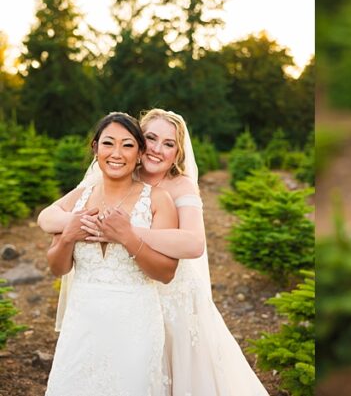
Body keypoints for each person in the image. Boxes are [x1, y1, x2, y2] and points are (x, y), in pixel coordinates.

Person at [39, 109, 268, 395]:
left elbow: (194, 244)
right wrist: (78, 224)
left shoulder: (178, 185)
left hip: (171, 298)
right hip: (110, 303)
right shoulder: (113, 172)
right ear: (140, 142)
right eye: (151, 138)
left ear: (177, 152)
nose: (158, 149)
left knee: (177, 373)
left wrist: (127, 233)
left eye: (169, 144)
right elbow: (47, 217)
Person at [44, 112, 179, 395]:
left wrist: (128, 238)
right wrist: (68, 235)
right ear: (95, 148)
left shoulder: (157, 200)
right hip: (82, 323)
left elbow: (166, 273)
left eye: (128, 145)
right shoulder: (80, 197)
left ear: (140, 153)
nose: (117, 153)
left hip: (135, 326)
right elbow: (57, 268)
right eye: (108, 143)